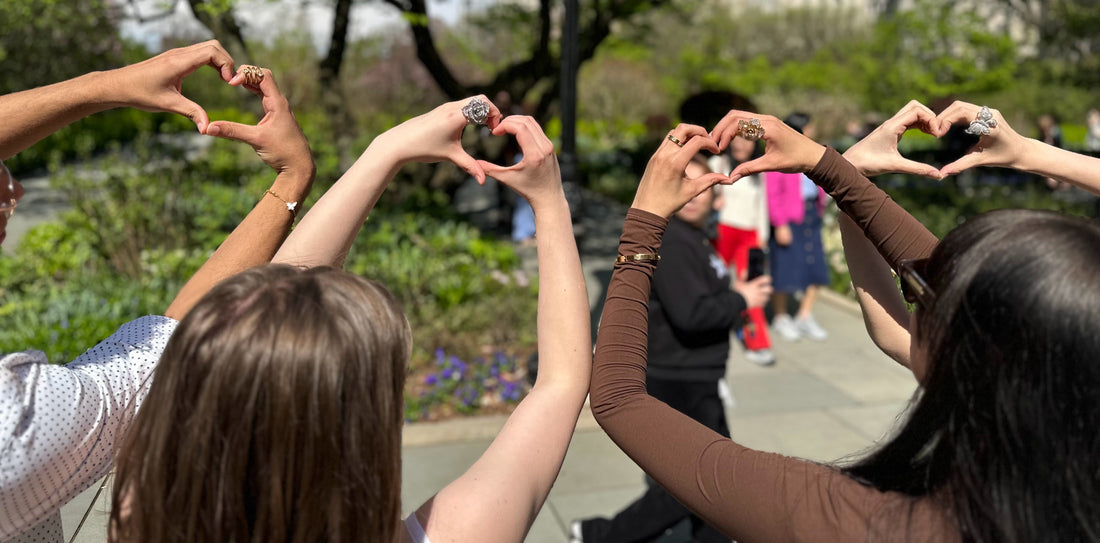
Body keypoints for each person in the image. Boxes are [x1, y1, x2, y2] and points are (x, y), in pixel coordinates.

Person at [588, 104, 1100, 542]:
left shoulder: (856, 520)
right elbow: (951, 301)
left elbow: (619, 400)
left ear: (963, 355)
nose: (923, 288)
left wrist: (643, 223)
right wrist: (831, 168)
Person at [110, 99, 593, 543]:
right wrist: (549, 202)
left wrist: (388, 150)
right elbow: (561, 382)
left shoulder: (135, 520)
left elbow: (273, 308)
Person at [0, 41, 316, 542]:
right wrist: (294, 176)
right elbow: (174, 340)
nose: (16, 190)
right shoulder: (15, 422)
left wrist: (106, 85)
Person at [573, 156, 772, 543]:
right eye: (684, 183)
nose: (693, 195)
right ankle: (600, 535)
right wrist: (740, 299)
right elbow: (691, 314)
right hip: (680, 378)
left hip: (697, 375)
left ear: (716, 197)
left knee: (712, 478)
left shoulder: (695, 238)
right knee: (697, 483)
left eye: (702, 186)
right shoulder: (674, 241)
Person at [710, 137, 775, 365]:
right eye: (737, 141)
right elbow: (698, 196)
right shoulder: (717, 165)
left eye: (747, 141)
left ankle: (757, 342)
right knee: (710, 281)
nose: (742, 146)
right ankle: (706, 331)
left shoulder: (759, 171)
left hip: (749, 235)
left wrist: (762, 239)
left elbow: (762, 207)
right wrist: (713, 200)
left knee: (752, 285)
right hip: (721, 231)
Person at [764, 112, 829, 342]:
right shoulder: (779, 154)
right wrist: (780, 224)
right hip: (790, 217)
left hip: (811, 213)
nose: (813, 130)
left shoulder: (813, 150)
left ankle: (804, 315)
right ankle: (781, 317)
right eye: (810, 126)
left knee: (815, 267)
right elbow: (772, 192)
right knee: (784, 269)